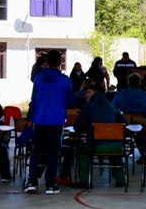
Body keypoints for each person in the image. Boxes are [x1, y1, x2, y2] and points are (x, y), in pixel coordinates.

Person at [25, 50, 75, 195]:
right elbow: (71, 101)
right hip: (56, 120)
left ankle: (32, 182)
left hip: (39, 119)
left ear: (46, 62)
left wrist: (31, 118)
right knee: (53, 152)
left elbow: (33, 100)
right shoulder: (65, 80)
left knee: (36, 151)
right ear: (60, 63)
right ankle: (50, 184)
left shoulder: (38, 78)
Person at [71, 80, 127, 189]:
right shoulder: (112, 107)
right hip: (117, 146)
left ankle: (85, 180)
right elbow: (125, 124)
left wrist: (88, 127)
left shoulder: (88, 107)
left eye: (88, 92)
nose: (85, 95)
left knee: (82, 150)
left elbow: (77, 126)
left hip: (96, 145)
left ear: (94, 93)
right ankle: (120, 180)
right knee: (115, 149)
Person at [112, 73, 146, 163]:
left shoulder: (121, 94)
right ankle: (144, 151)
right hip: (141, 125)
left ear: (128, 82)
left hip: (125, 125)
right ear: (139, 83)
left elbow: (112, 108)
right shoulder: (145, 96)